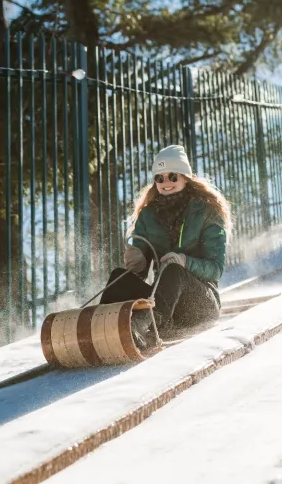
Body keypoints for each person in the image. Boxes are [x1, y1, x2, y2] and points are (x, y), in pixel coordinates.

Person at [99, 145, 232, 350]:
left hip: (199, 304)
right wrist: (137, 263)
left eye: (172, 176)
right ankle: (101, 331)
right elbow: (141, 273)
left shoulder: (206, 212)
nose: (166, 183)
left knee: (174, 271)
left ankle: (146, 328)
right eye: (159, 178)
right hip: (163, 302)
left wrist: (185, 262)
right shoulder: (148, 215)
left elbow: (216, 268)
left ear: (185, 177)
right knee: (119, 276)